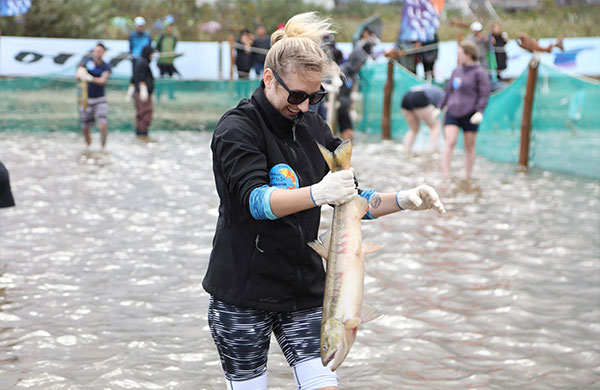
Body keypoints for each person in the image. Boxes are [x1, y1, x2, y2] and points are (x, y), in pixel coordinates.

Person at [202, 12, 446, 389]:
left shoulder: (315, 127)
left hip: (303, 290)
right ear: (269, 78)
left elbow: (352, 200)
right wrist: (318, 193)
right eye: (296, 95)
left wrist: (404, 198)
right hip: (242, 294)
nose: (303, 106)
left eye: (314, 96)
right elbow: (257, 201)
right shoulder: (237, 129)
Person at [440, 40, 491, 179]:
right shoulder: (456, 70)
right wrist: (440, 107)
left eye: (460, 53)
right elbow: (448, 90)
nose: (458, 56)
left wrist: (480, 111)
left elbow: (484, 93)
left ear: (469, 54)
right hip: (453, 111)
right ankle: (445, 175)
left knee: (469, 146)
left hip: (470, 114)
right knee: (450, 141)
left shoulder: (479, 73)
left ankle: (467, 176)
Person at [337, 27, 379, 141]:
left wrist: (351, 107)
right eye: (361, 62)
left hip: (344, 108)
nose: (362, 65)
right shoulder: (342, 71)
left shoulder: (353, 74)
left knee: (349, 136)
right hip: (336, 107)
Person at [75, 42, 112, 149]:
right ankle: (88, 147)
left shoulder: (106, 66)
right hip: (86, 99)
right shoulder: (86, 62)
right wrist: (80, 74)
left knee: (103, 124)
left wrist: (90, 78)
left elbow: (102, 80)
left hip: (100, 99)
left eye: (100, 51)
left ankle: (103, 147)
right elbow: (78, 75)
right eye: (95, 51)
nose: (97, 53)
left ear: (104, 52)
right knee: (85, 127)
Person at [401, 84, 444, 154]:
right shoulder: (443, 94)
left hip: (406, 97)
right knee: (435, 127)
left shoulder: (434, 89)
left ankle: (406, 152)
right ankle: (433, 153)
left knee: (413, 129)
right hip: (419, 96)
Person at [125, 16, 152, 100]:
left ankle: (143, 92)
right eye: (139, 25)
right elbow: (131, 47)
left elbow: (149, 47)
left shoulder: (147, 35)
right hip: (135, 59)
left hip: (144, 60)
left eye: (141, 25)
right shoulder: (132, 35)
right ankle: (135, 93)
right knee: (135, 76)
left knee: (144, 77)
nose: (140, 27)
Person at [132, 45, 155, 138]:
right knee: (145, 112)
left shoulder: (141, 61)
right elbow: (140, 76)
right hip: (142, 92)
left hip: (141, 91)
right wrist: (143, 87)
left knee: (142, 112)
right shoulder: (143, 62)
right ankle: (142, 133)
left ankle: (142, 132)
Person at [155, 18, 178, 100]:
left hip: (170, 62)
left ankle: (171, 95)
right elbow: (156, 47)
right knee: (161, 78)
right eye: (168, 27)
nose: (170, 28)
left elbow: (174, 47)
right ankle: (158, 94)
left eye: (171, 27)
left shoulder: (173, 38)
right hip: (162, 61)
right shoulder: (161, 37)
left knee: (171, 79)